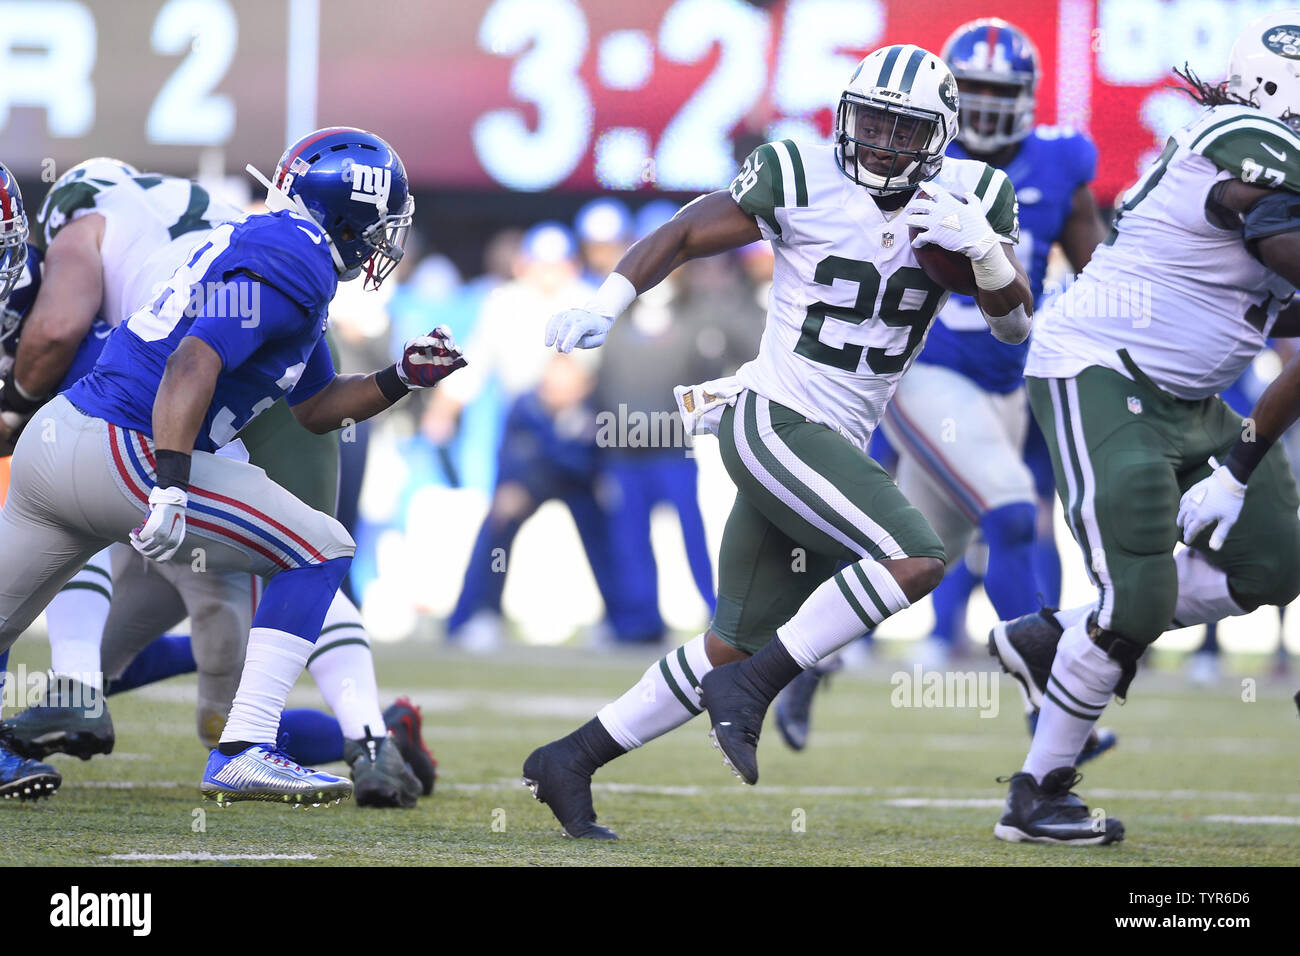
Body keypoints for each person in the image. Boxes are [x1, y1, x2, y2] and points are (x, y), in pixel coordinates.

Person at [522, 42, 1033, 838]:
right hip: (776, 419)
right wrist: (611, 297)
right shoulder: (801, 174)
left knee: (730, 645)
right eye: (870, 123)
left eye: (903, 132)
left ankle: (570, 760)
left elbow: (1013, 326)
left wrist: (986, 249)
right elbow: (688, 232)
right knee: (917, 558)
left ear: (939, 138)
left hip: (835, 436)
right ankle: (764, 685)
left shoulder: (976, 196)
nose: (880, 144)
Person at [0, 127, 466, 807]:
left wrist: (400, 377)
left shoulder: (279, 252)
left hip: (58, 441)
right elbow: (194, 360)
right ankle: (245, 749)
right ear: (350, 212)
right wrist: (169, 484)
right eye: (382, 225)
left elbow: (315, 407)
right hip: (126, 445)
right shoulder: (296, 257)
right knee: (321, 547)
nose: (383, 242)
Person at [989, 10, 1300, 844]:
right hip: (1101, 372)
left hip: (1191, 397)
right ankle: (1038, 790)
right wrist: (1234, 468)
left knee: (1276, 561)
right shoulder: (1238, 132)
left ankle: (1054, 638)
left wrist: (1241, 465)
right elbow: (1272, 225)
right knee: (1138, 597)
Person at [773, 18, 1116, 759]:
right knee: (1015, 513)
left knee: (913, 559)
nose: (989, 108)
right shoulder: (917, 153)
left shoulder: (1062, 163)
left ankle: (796, 658)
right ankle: (1050, 713)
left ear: (1027, 97)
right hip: (926, 371)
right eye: (977, 92)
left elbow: (1098, 278)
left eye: (1003, 92)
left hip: (1006, 384)